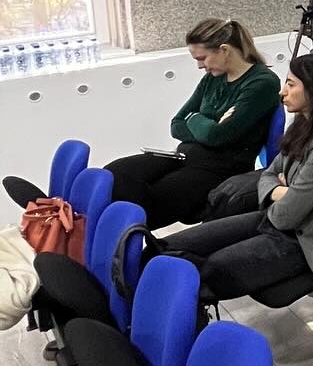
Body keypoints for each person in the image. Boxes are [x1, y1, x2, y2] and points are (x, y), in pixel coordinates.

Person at [156, 53, 313, 300]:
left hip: (307, 240)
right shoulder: (304, 125)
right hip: (275, 220)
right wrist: (283, 191)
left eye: (291, 84)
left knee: (207, 271)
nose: (282, 92)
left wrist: (284, 194)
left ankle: (173, 315)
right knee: (169, 247)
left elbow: (286, 216)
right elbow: (268, 174)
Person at [105, 18, 280, 228]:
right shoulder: (213, 78)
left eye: (202, 58)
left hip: (221, 167)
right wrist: (206, 124)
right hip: (185, 156)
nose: (199, 66)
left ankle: (128, 241)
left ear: (224, 50)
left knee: (146, 204)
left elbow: (218, 136)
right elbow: (177, 124)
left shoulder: (262, 83)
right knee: (113, 175)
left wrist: (195, 119)